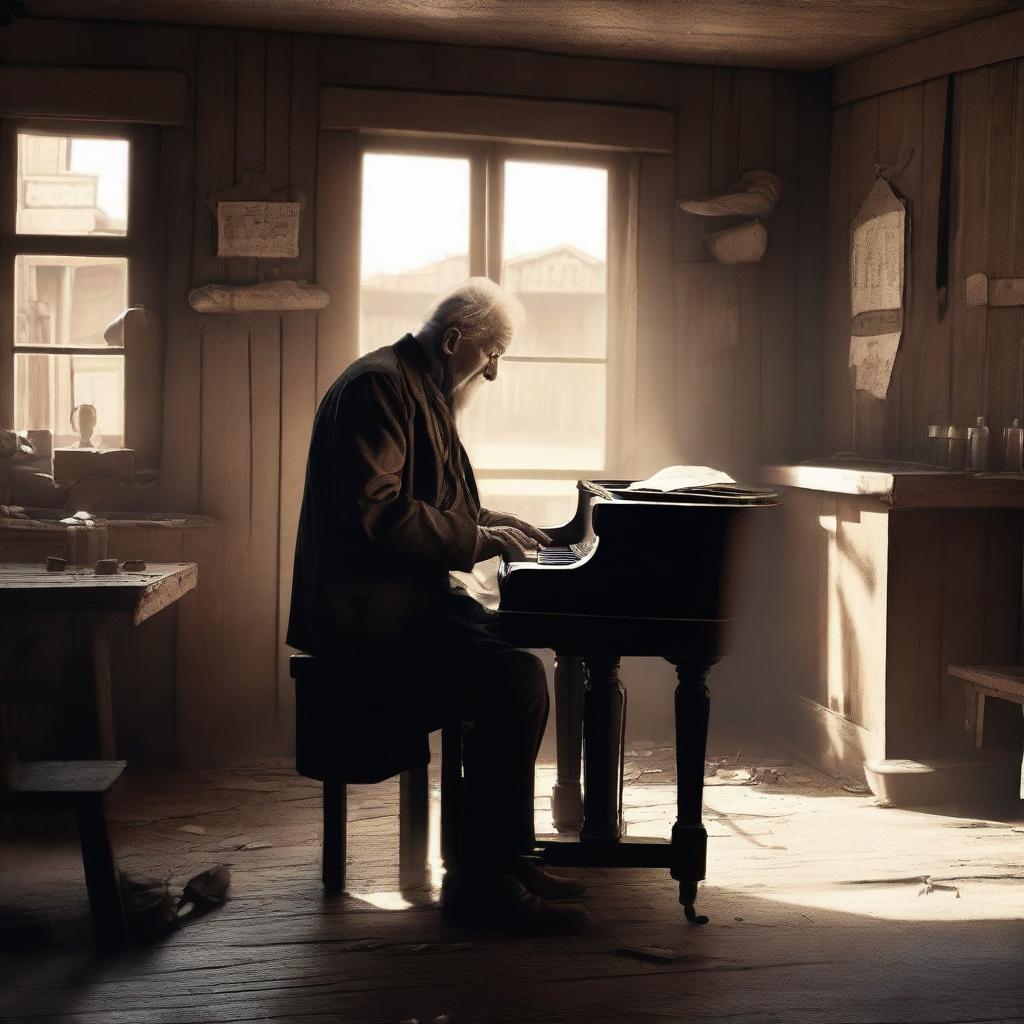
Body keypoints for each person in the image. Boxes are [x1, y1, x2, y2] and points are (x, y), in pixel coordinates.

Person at [287, 277, 587, 934]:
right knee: (516, 681)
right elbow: (379, 515)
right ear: (454, 341)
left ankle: (501, 856)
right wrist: (479, 538)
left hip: (400, 608)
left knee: (509, 656)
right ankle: (482, 882)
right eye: (492, 353)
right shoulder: (377, 388)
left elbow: (441, 503)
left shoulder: (416, 387)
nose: (495, 371)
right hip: (365, 623)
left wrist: (502, 525)